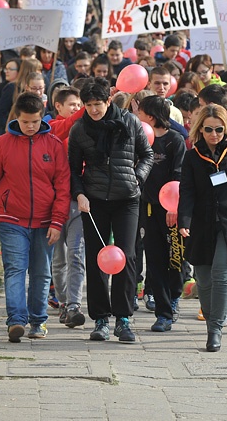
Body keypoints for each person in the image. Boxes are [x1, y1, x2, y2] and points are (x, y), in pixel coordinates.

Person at [0, 92, 71, 341]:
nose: (30, 127)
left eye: (35, 122)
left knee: (41, 273)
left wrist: (58, 220)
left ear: (43, 118)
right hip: (12, 220)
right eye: (25, 121)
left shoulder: (54, 145)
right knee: (15, 270)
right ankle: (16, 321)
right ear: (16, 117)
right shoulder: (2, 144)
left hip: (45, 222)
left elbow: (63, 186)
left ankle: (38, 321)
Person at [68, 77, 154, 343]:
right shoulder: (80, 129)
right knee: (98, 259)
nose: (94, 109)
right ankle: (101, 318)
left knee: (126, 257)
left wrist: (136, 177)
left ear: (108, 101)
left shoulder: (129, 122)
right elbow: (72, 169)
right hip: (94, 201)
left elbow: (147, 155)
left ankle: (123, 317)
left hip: (126, 198)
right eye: (89, 105)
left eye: (98, 104)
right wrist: (79, 194)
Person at [178, 103, 227, 351]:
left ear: (226, 130)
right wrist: (184, 221)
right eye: (209, 129)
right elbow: (187, 192)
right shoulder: (191, 156)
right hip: (202, 223)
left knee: (223, 274)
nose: (214, 134)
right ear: (200, 129)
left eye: (220, 130)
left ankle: (215, 330)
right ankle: (213, 319)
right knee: (203, 278)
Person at [136, 96, 186, 332]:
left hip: (172, 211)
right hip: (148, 208)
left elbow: (178, 176)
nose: (137, 116)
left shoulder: (174, 141)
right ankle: (163, 314)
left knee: (174, 260)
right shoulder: (140, 138)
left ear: (152, 117)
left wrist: (174, 208)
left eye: (141, 112)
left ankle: (174, 296)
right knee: (154, 260)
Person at [46, 86, 88, 328]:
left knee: (76, 254)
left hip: (77, 200)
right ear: (58, 106)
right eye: (72, 104)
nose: (77, 108)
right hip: (53, 204)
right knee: (59, 259)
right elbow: (69, 123)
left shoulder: (83, 129)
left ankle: (73, 304)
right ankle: (62, 301)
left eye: (78, 103)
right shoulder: (51, 128)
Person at [0, 57, 21, 141]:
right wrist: (7, 126)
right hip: (4, 128)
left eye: (10, 69)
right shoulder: (1, 87)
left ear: (18, 71)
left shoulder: (21, 86)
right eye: (6, 69)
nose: (7, 71)